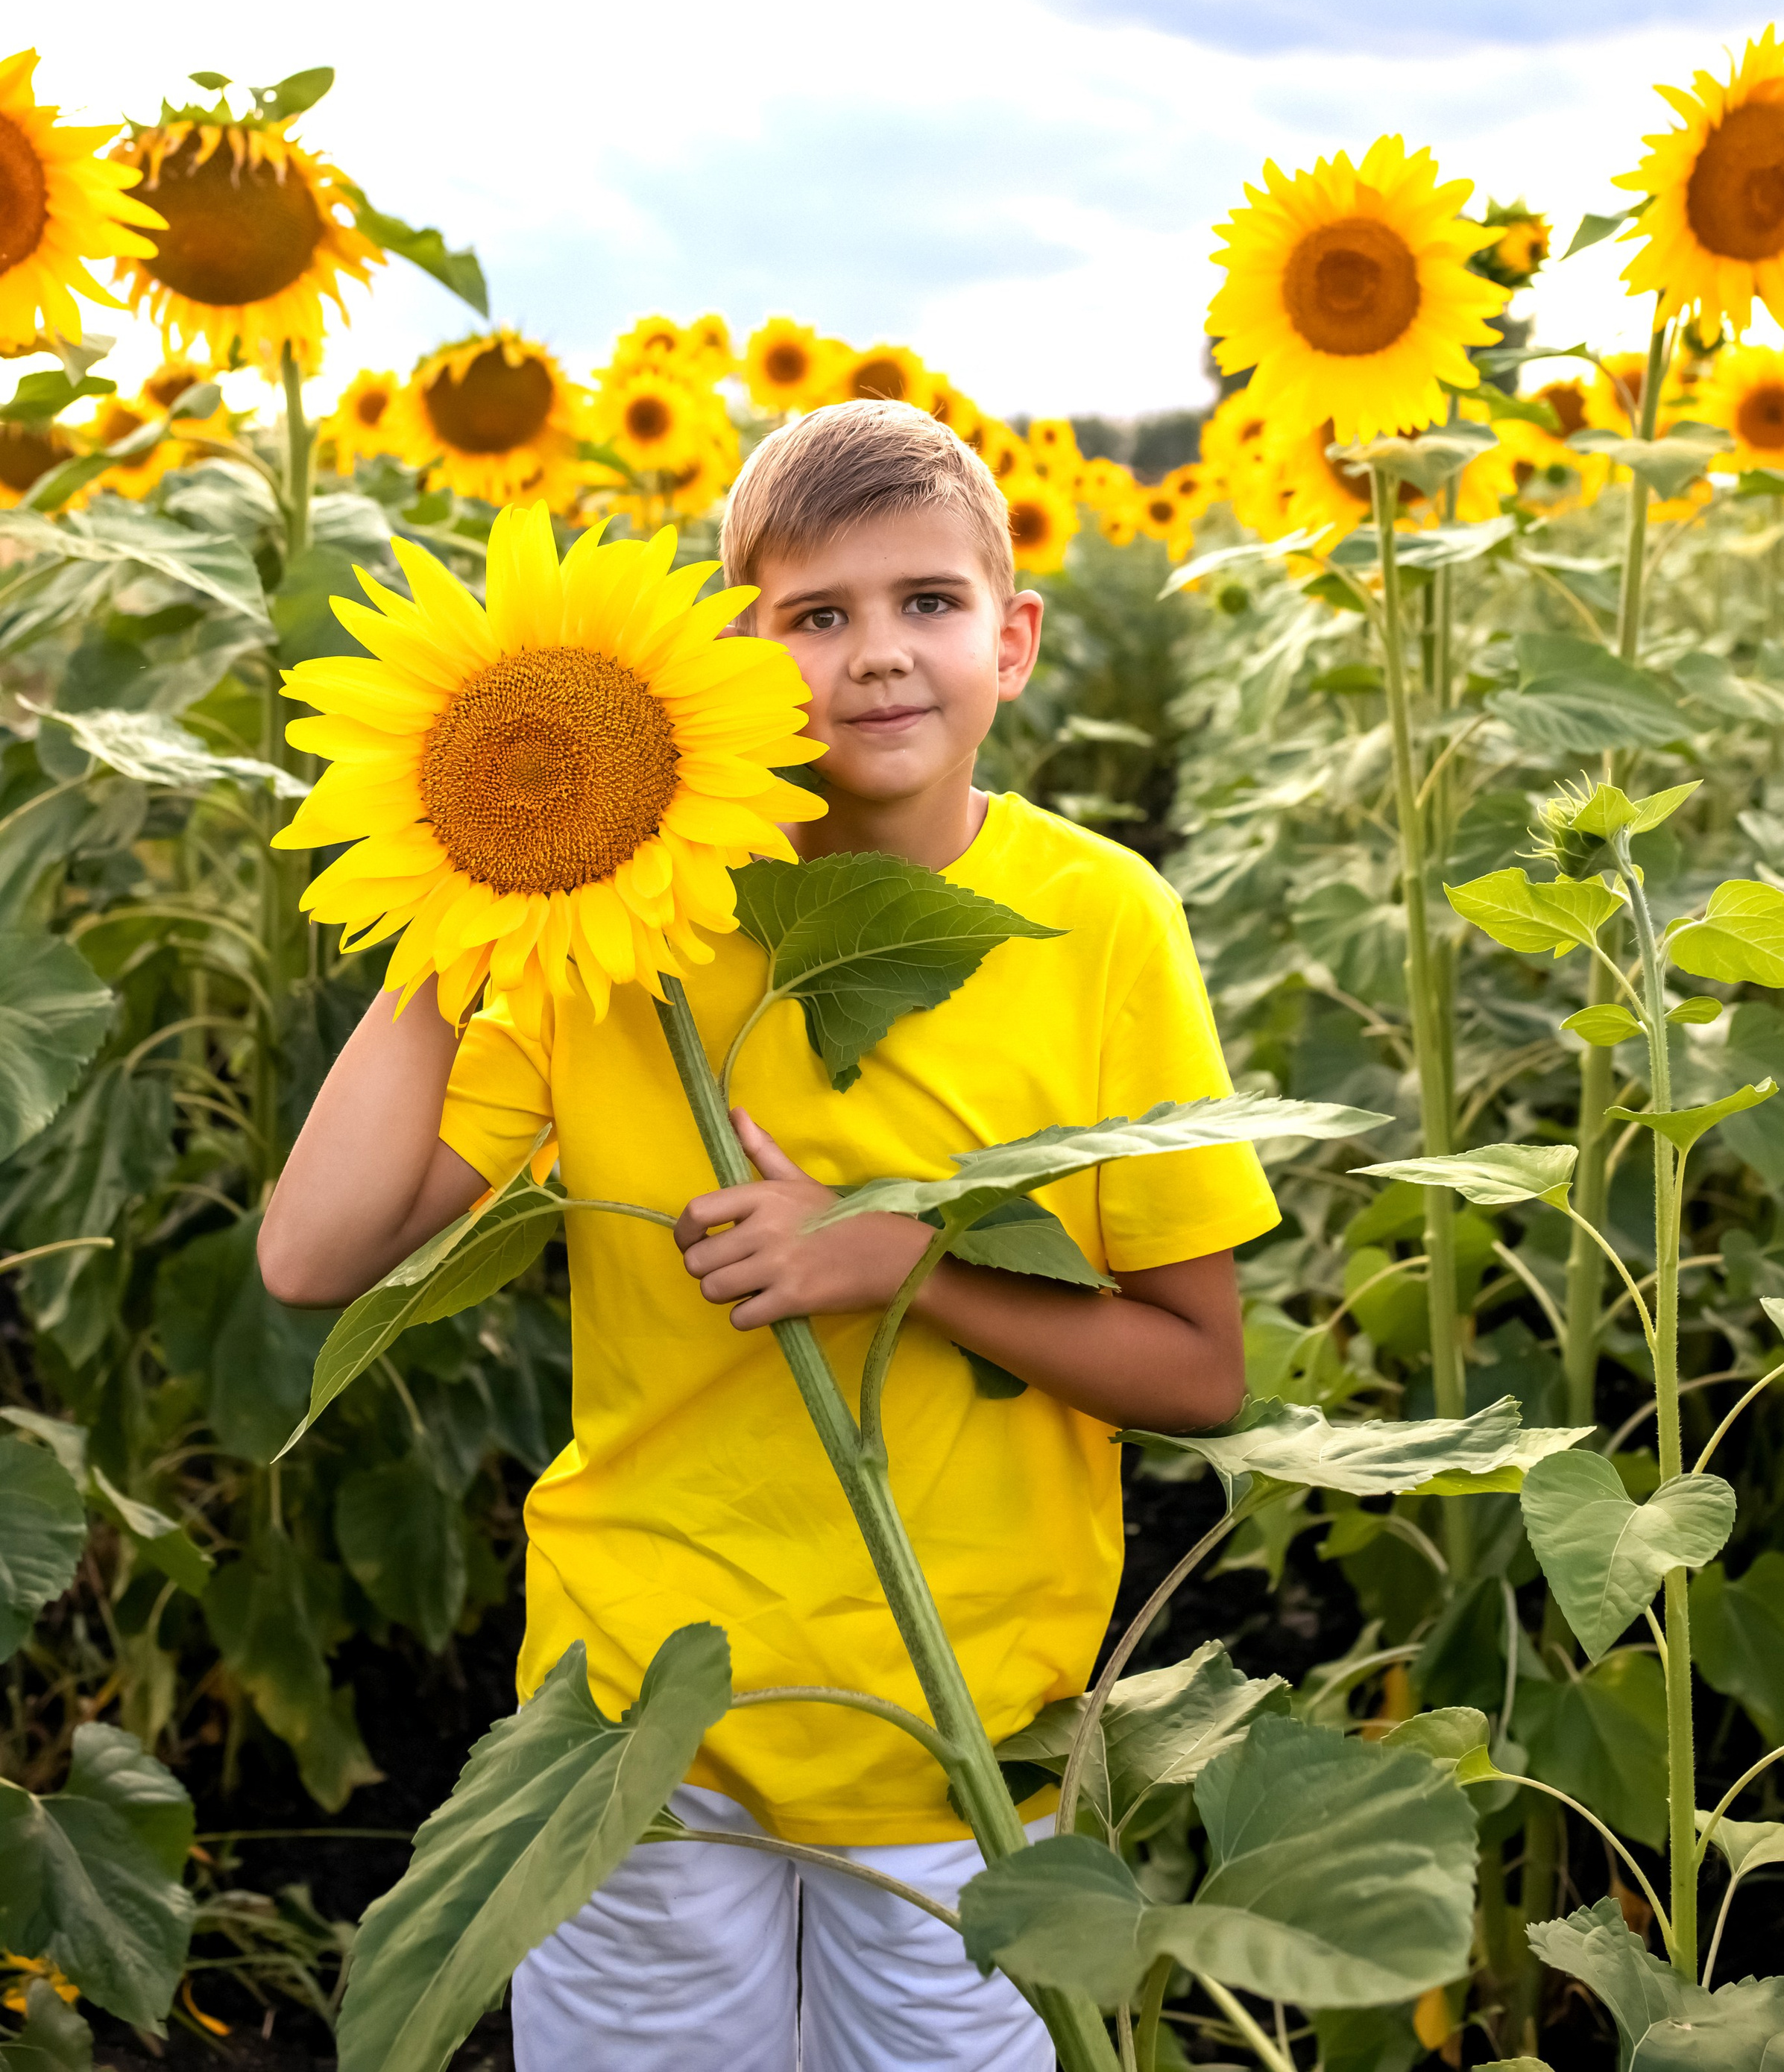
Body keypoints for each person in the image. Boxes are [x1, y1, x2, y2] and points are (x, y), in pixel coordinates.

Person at [261, 398, 1278, 2072]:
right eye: (813, 617)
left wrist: (904, 1263)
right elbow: (314, 1256)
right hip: (642, 1727)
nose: (873, 656)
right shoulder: (622, 933)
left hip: (964, 1730)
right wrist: (478, 875)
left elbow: (1199, 1371)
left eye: (924, 604)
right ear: (735, 659)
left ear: (1012, 641)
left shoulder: (1100, 922)